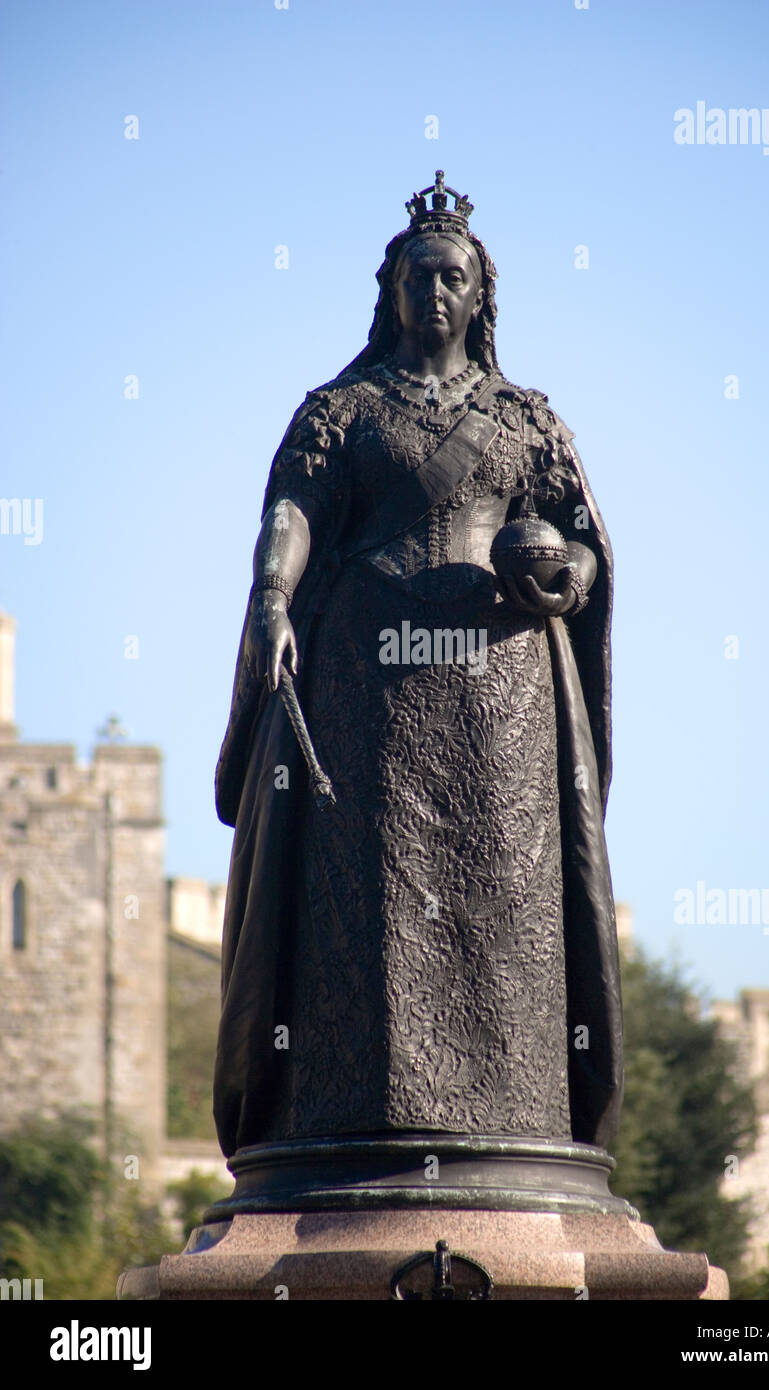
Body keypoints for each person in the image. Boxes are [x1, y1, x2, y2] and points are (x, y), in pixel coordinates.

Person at [213, 173, 623, 1161]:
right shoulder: (340, 411)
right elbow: (291, 515)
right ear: (390, 288)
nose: (434, 292)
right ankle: (345, 1111)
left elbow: (584, 544)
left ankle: (516, 1122)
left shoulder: (528, 418)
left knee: (507, 897)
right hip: (367, 679)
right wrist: (272, 596)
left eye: (452, 278)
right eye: (418, 276)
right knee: (364, 897)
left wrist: (565, 571)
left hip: (504, 685)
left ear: (480, 295)